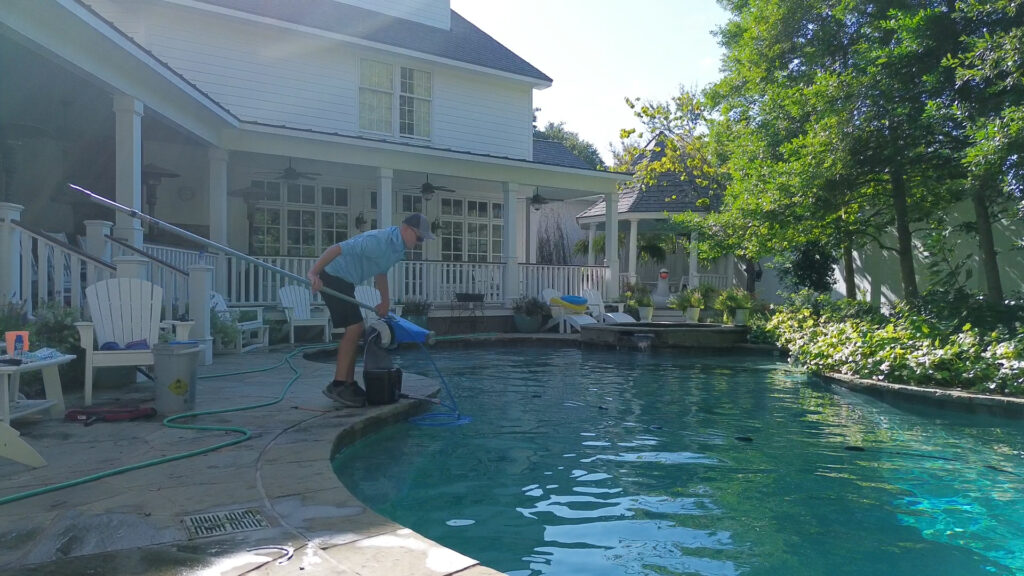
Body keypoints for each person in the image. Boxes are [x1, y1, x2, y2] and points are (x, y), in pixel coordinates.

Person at [307, 213, 434, 406]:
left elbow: (381, 272)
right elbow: (337, 248)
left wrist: (385, 302)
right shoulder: (377, 240)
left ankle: (348, 384)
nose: (419, 243)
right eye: (419, 238)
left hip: (346, 282)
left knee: (356, 329)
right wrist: (313, 273)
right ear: (407, 229)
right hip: (332, 276)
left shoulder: (397, 249)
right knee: (355, 327)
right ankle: (338, 385)